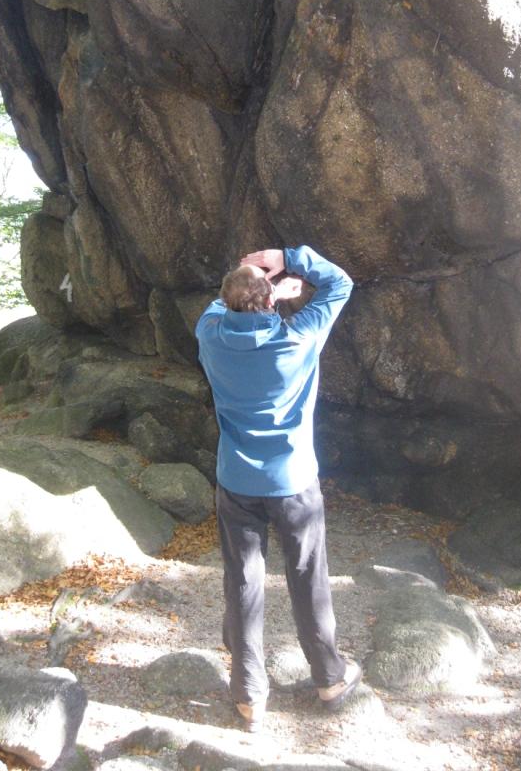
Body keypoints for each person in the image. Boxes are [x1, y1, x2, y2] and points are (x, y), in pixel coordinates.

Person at [195, 245, 362, 732]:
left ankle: (249, 694)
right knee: (308, 576)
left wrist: (258, 289)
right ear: (270, 301)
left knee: (243, 581)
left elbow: (221, 306)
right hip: (293, 482)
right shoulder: (299, 335)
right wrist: (286, 257)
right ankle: (329, 678)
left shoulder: (210, 334)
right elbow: (340, 283)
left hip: (236, 482)